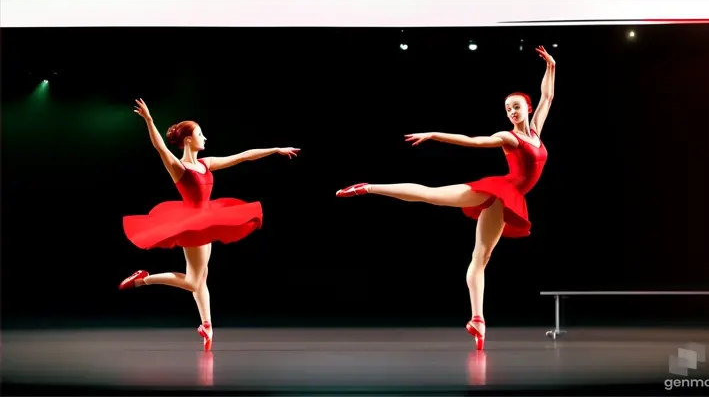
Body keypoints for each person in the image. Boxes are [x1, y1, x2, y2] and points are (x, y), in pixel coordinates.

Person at [335, 46, 555, 350]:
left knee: (481, 258)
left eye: (516, 107)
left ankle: (477, 319)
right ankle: (369, 187)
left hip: (509, 200)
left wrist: (551, 67)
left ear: (526, 108)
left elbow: (547, 97)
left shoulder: (536, 130)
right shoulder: (509, 137)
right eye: (508, 109)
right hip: (499, 189)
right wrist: (436, 134)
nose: (512, 112)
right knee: (432, 195)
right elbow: (473, 141)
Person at [119, 98, 300, 351]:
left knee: (201, 278)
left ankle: (207, 324)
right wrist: (149, 121)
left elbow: (243, 157)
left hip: (207, 219)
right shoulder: (179, 168)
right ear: (188, 140)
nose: (205, 138)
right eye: (200, 134)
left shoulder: (206, 163)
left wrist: (275, 149)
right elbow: (160, 148)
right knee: (194, 281)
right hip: (192, 223)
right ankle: (144, 279)